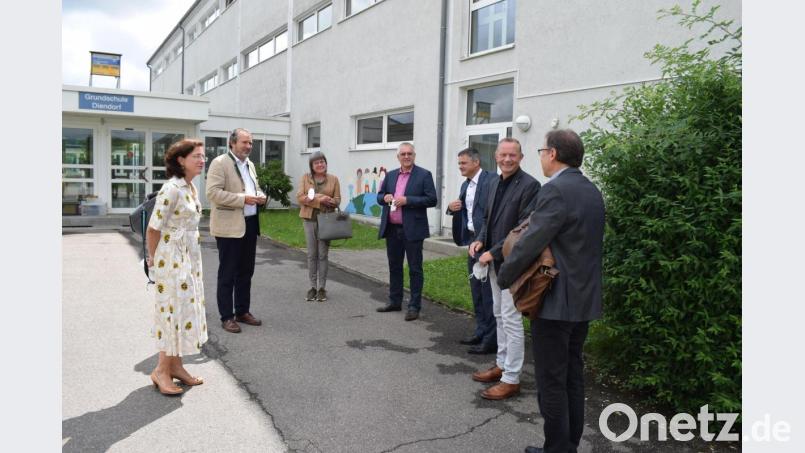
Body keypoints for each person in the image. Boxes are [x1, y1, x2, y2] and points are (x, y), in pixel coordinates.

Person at [497, 130, 605, 453]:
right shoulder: (591, 190)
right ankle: (567, 444)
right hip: (583, 300)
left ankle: (557, 448)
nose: (541, 156)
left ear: (554, 154)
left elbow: (531, 242)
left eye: (543, 150)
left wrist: (504, 275)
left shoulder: (555, 191)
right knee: (572, 375)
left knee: (552, 382)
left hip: (556, 302)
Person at [469, 137, 540, 400]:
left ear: (521, 157)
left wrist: (493, 251)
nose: (508, 159)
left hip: (515, 264)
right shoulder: (493, 183)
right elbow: (488, 220)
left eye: (513, 155)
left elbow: (522, 229)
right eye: (503, 155)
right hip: (494, 263)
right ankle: (501, 364)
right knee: (498, 314)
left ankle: (512, 378)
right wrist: (479, 240)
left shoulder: (531, 186)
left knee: (511, 320)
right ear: (496, 157)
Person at [145, 139, 209, 395]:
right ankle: (161, 370)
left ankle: (177, 366)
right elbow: (153, 228)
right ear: (181, 160)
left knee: (184, 310)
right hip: (171, 258)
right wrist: (152, 261)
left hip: (188, 257)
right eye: (197, 156)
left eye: (203, 156)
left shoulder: (190, 187)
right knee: (171, 311)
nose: (202, 160)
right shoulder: (171, 188)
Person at [206, 128, 267, 334]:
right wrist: (243, 199)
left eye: (250, 143)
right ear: (232, 143)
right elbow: (213, 193)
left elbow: (253, 187)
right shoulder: (219, 163)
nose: (249, 146)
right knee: (228, 273)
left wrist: (259, 195)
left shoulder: (249, 164)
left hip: (249, 224)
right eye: (245, 142)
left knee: (246, 271)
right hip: (228, 227)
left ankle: (242, 311)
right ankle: (226, 316)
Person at [375, 142, 437, 321]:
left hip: (413, 229)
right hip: (392, 229)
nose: (406, 157)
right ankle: (395, 301)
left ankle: (414, 306)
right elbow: (380, 196)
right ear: (398, 157)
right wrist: (384, 197)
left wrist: (408, 200)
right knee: (394, 267)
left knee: (415, 269)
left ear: (414, 156)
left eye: (410, 153)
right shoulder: (391, 175)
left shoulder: (424, 175)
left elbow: (432, 199)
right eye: (403, 154)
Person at [446, 148, 497, 354]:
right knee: (476, 290)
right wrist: (451, 208)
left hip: (487, 244)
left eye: (463, 163)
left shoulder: (491, 181)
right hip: (472, 244)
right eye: (459, 163)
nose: (460, 167)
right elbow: (466, 212)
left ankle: (491, 340)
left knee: (488, 294)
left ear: (476, 162)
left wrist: (481, 239)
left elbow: (490, 215)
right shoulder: (465, 185)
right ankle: (481, 331)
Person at [296, 151, 342, 302]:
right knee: (311, 255)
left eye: (322, 161)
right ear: (312, 166)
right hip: (309, 220)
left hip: (327, 220)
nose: (320, 164)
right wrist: (319, 200)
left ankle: (322, 288)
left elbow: (337, 200)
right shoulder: (305, 178)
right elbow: (300, 198)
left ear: (326, 163)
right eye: (317, 163)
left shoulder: (333, 179)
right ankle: (312, 287)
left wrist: (330, 201)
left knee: (323, 255)